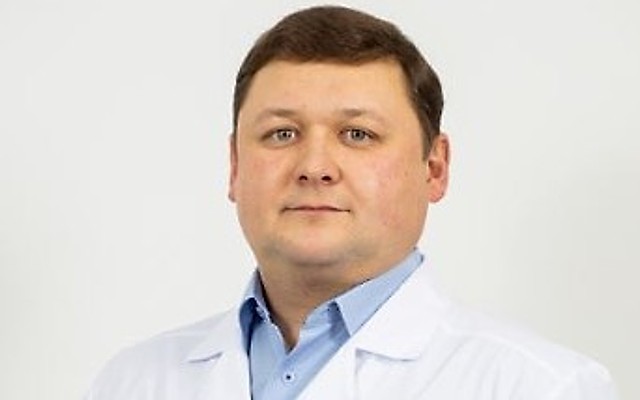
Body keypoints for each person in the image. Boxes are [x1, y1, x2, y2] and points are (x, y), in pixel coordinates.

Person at [85, 5, 617, 400]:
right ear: (235, 167)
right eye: (282, 134)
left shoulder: (542, 387)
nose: (315, 166)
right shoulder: (132, 382)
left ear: (434, 168)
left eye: (358, 134)